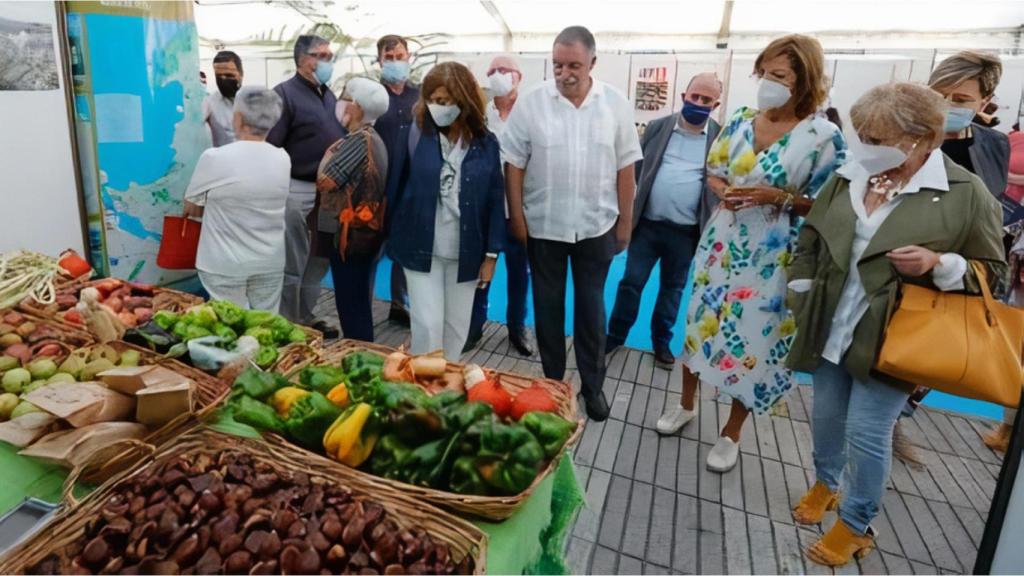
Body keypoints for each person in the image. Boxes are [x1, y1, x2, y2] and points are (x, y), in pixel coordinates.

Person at [786, 82, 1007, 567]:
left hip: (894, 338)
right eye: (863, 133)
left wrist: (940, 263)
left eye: (879, 137)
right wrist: (800, 289)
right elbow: (812, 238)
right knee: (825, 416)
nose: (865, 144)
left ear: (924, 138)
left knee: (867, 433)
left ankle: (857, 523)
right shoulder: (853, 173)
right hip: (831, 322)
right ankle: (826, 482)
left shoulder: (964, 193)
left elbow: (995, 273)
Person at [673, 34, 846, 471]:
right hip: (721, 245)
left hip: (773, 260)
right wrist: (725, 192)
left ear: (804, 80)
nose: (768, 82)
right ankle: (686, 405)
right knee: (698, 325)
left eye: (780, 75)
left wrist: (779, 198)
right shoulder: (739, 122)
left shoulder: (823, 136)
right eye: (764, 73)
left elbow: (828, 205)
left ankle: (732, 432)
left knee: (754, 339)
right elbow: (713, 172)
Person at [503, 26, 643, 421]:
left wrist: (625, 224)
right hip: (544, 227)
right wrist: (517, 217)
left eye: (574, 66)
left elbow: (625, 167)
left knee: (591, 311)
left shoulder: (614, 104)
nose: (565, 73)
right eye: (558, 64)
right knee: (547, 309)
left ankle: (593, 386)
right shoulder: (532, 103)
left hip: (597, 226)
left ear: (593, 64)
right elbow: (513, 163)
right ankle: (552, 386)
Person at [897, 51, 1011, 429]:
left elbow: (990, 203)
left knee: (932, 354)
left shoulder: (994, 144)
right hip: (902, 263)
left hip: (956, 269)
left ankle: (905, 405)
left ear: (985, 102)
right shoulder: (904, 136)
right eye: (939, 94)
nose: (946, 106)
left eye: (960, 100)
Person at [385, 62, 505, 361]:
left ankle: (444, 384)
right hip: (420, 247)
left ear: (466, 101)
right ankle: (421, 391)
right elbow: (395, 188)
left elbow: (494, 198)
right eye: (437, 100)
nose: (443, 107)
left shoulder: (486, 143)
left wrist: (491, 254)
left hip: (466, 250)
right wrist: (392, 238)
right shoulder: (414, 136)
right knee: (427, 324)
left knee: (456, 327)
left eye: (451, 101)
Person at [606, 72, 723, 368]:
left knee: (673, 290)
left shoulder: (720, 138)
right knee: (631, 282)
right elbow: (633, 171)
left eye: (706, 100)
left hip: (685, 233)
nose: (698, 103)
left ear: (716, 104)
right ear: (684, 96)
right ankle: (615, 334)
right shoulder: (658, 128)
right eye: (694, 96)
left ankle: (661, 341)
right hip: (647, 225)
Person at [183, 87, 291, 311]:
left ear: (238, 117)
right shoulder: (282, 158)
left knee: (229, 330)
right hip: (269, 261)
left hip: (224, 263)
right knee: (266, 326)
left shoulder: (215, 157)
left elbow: (192, 207)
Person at [266, 34, 345, 337]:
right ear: (302, 59)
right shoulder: (283, 95)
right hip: (296, 188)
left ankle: (306, 313)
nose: (328, 61)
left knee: (319, 258)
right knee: (292, 259)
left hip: (329, 193)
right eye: (321, 55)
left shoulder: (328, 94)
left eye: (330, 54)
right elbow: (272, 147)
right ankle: (286, 321)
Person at [464, 54, 534, 357]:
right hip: (486, 211)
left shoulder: (532, 113)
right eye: (492, 71)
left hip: (521, 209)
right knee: (481, 272)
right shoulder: (480, 113)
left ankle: (517, 327)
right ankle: (475, 325)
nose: (497, 75)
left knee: (521, 274)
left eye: (503, 70)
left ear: (518, 76)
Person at [316, 78, 390, 342]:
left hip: (350, 236)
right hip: (365, 234)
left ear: (357, 107)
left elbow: (326, 180)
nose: (341, 102)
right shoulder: (375, 138)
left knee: (351, 305)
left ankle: (358, 352)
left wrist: (327, 154)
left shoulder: (358, 141)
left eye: (346, 97)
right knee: (357, 300)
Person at [374, 34, 420, 328]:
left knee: (406, 247)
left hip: (412, 186)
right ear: (379, 60)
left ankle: (399, 303)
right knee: (371, 247)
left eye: (399, 56)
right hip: (376, 186)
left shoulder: (420, 95)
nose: (394, 62)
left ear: (408, 58)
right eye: (388, 58)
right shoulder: (372, 96)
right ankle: (361, 303)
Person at [204, 50, 243, 147]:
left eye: (229, 75)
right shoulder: (209, 102)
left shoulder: (254, 101)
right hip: (222, 160)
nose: (223, 80)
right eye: (218, 76)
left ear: (241, 74)